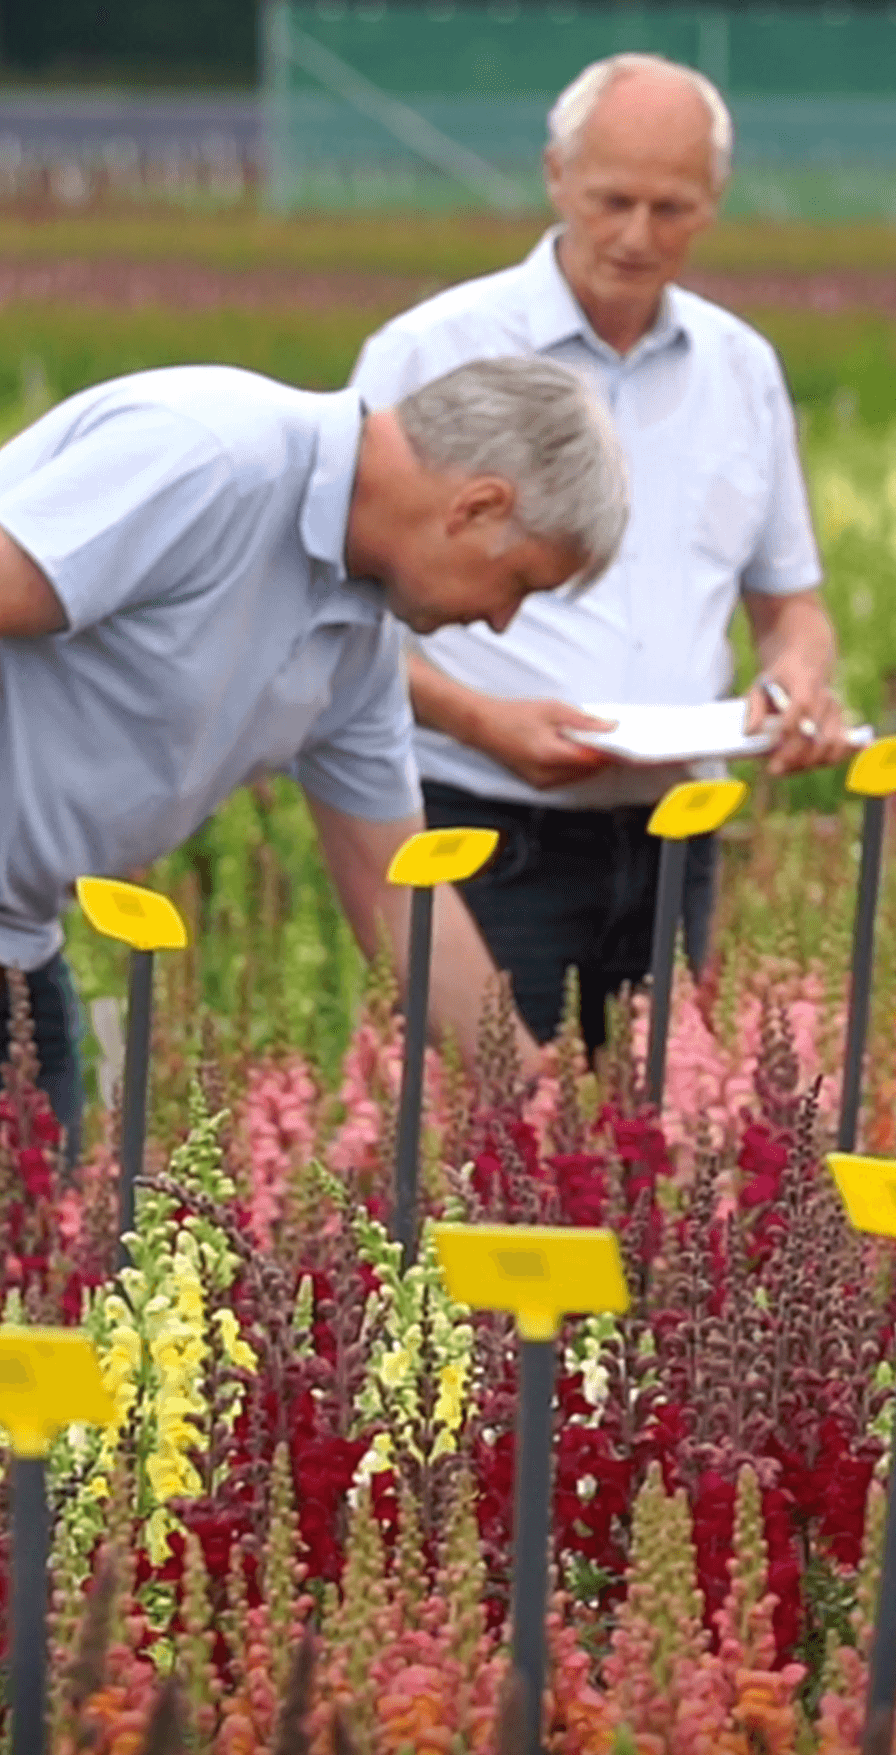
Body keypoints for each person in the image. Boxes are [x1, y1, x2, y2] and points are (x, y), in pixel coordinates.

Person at [0, 355, 628, 1161]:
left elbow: (399, 895)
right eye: (520, 585)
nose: (503, 623)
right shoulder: (216, 455)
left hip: (20, 947)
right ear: (478, 507)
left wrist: (538, 1094)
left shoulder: (358, 645)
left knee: (42, 1263)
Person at [351, 52, 851, 1057]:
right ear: (554, 176)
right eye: (612, 200)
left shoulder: (740, 368)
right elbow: (333, 613)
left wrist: (799, 685)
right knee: (490, 1149)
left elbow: (788, 602)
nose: (636, 236)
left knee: (656, 1153)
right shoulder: (434, 352)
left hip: (675, 830)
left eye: (672, 208)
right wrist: (482, 719)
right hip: (483, 826)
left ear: (714, 202)